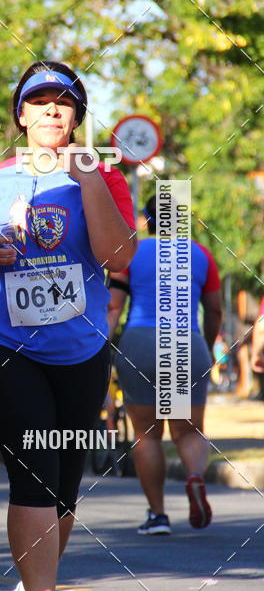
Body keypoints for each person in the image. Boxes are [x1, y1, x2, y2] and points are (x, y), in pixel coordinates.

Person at [0, 61, 136, 591]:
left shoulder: (103, 175)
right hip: (7, 347)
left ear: (77, 116)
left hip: (81, 350)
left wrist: (89, 181)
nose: (52, 109)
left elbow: (118, 258)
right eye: (40, 101)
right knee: (33, 472)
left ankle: (32, 590)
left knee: (64, 485)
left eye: (64, 101)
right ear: (21, 114)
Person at [107, 194, 223, 535]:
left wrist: (100, 349)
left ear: (147, 220)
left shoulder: (131, 252)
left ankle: (157, 515)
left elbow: (114, 306)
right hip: (187, 341)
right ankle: (195, 477)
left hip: (141, 343)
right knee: (188, 430)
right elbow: (215, 310)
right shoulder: (201, 254)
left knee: (147, 435)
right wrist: (207, 347)